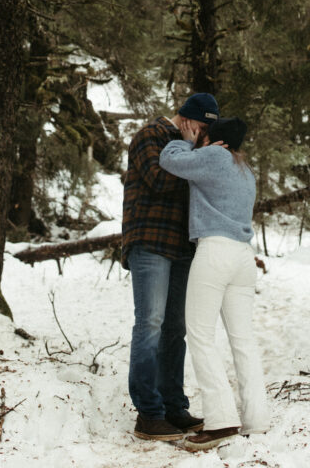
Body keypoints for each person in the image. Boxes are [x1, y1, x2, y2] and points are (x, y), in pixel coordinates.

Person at [159, 115, 270, 451]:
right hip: (242, 257)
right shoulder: (244, 169)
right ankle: (257, 418)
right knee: (243, 339)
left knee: (201, 335)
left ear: (215, 139)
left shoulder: (214, 155)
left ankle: (221, 421)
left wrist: (188, 142)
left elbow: (168, 159)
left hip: (215, 252)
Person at [122, 92, 219, 442]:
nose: (201, 134)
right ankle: (149, 414)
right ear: (188, 119)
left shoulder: (189, 148)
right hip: (149, 241)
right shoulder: (150, 135)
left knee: (174, 329)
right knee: (150, 323)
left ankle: (173, 408)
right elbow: (160, 181)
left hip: (181, 246)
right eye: (201, 127)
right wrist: (197, 154)